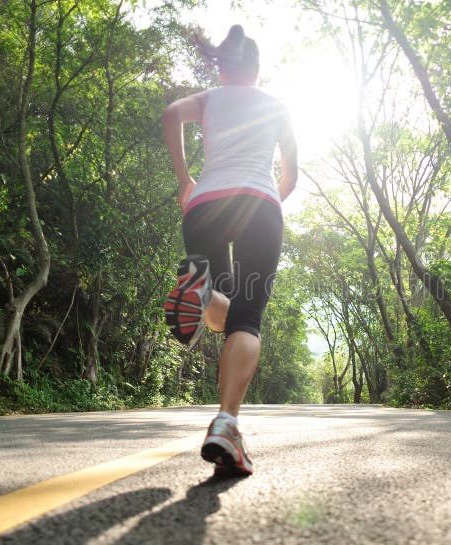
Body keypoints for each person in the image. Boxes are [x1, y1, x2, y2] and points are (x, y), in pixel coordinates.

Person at [161, 24, 297, 476]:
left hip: (204, 205)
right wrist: (266, 198)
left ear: (222, 68)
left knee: (221, 310)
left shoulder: (209, 99)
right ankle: (226, 425)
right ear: (257, 69)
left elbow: (169, 115)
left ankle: (199, 292)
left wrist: (185, 181)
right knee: (245, 318)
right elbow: (291, 176)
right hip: (258, 204)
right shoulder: (276, 106)